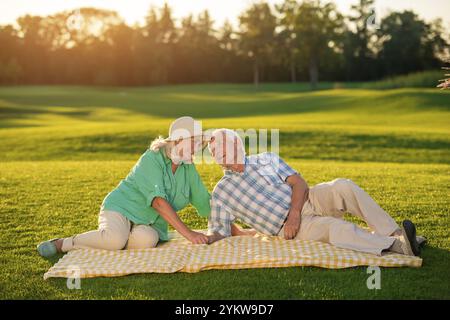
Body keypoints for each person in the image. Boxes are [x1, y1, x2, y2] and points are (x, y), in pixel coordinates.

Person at [206, 128, 422, 257]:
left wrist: (294, 212)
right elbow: (219, 231)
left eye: (223, 146)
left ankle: (395, 233)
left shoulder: (266, 158)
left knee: (343, 186)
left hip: (306, 201)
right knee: (335, 228)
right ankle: (398, 247)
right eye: (215, 152)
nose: (220, 154)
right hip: (288, 228)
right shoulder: (222, 192)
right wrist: (197, 237)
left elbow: (299, 183)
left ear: (237, 143)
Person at [37, 116, 211, 258]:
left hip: (148, 222)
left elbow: (204, 201)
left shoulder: (188, 167)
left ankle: (116, 243)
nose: (197, 149)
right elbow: (158, 202)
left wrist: (230, 229)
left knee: (147, 240)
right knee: (114, 240)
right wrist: (189, 234)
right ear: (179, 140)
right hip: (121, 208)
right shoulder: (152, 158)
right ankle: (63, 243)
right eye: (194, 142)